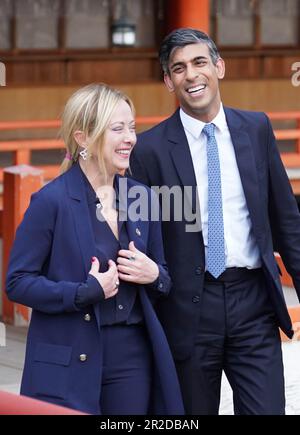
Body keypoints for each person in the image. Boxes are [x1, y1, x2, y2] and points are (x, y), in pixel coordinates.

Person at [130, 28, 300, 415]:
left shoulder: (256, 129)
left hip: (253, 300)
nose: (191, 75)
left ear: (219, 67)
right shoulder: (150, 150)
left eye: (200, 62)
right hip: (188, 308)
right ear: (167, 81)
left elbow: (287, 222)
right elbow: (140, 239)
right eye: (179, 68)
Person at [6, 83, 184, 415]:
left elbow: (164, 278)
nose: (130, 137)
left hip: (132, 356)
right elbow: (17, 282)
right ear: (83, 138)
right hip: (66, 355)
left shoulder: (143, 197)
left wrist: (154, 274)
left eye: (132, 127)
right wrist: (82, 292)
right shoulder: (50, 201)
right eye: (118, 128)